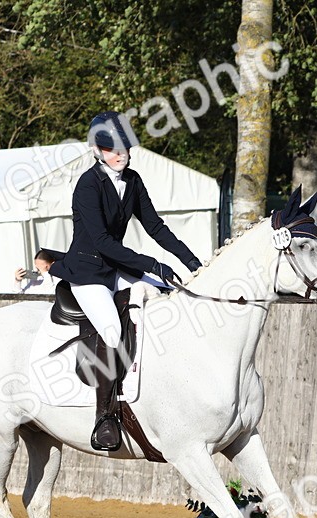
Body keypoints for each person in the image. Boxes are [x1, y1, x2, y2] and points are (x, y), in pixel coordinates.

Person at [37, 111, 203, 451]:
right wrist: (151, 264)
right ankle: (104, 417)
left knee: (166, 295)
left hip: (115, 267)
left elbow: (155, 227)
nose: (121, 155)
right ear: (97, 150)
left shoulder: (133, 180)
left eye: (125, 148)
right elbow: (101, 242)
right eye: (113, 150)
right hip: (88, 272)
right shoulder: (88, 185)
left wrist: (192, 262)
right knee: (112, 331)